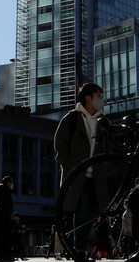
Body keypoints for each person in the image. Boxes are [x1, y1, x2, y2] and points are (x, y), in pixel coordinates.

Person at [53, 83, 110, 255]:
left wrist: (107, 166)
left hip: (98, 177)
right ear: (88, 97)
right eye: (98, 95)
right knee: (83, 210)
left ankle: (84, 249)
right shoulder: (71, 118)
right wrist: (70, 166)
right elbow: (59, 146)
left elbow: (109, 147)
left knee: (96, 213)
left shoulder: (103, 121)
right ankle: (79, 250)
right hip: (78, 175)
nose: (101, 98)